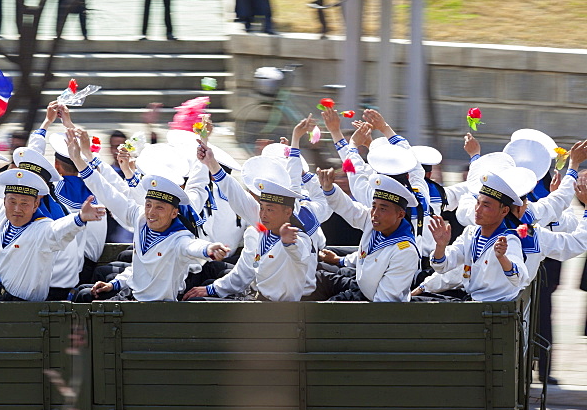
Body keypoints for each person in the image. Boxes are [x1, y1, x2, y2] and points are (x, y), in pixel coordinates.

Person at [66, 129, 228, 302]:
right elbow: (107, 191)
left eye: (160, 208)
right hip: (133, 297)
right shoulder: (140, 216)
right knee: (84, 292)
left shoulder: (179, 237)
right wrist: (78, 159)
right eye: (148, 204)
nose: (151, 212)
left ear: (175, 212)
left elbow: (192, 246)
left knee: (85, 296)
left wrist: (209, 249)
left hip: (156, 312)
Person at [0, 140, 106, 302]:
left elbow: (59, 231)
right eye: (12, 201)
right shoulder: (3, 212)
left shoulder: (43, 226)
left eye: (24, 203)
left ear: (36, 203)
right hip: (5, 291)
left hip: (22, 304)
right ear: (4, 200)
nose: (17, 209)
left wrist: (80, 218)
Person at [184, 178, 314, 302]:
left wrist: (288, 244)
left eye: (270, 209)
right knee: (202, 291)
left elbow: (299, 254)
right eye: (261, 208)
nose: (263, 214)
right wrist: (211, 289)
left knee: (199, 302)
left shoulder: (298, 238)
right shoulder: (264, 233)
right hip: (258, 300)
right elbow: (245, 271)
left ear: (288, 212)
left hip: (280, 312)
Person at [318, 169, 421, 302]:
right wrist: (329, 189)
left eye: (383, 208)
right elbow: (349, 209)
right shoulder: (376, 222)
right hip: (361, 285)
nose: (375, 213)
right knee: (316, 278)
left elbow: (384, 301)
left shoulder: (405, 251)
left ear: (400, 214)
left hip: (370, 302)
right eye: (374, 206)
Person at [428, 171, 530, 302]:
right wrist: (440, 246)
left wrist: (502, 257)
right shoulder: (470, 233)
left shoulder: (508, 240)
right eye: (477, 203)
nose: (477, 209)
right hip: (472, 302)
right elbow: (442, 266)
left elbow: (519, 277)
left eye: (486, 205)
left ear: (504, 211)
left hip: (492, 307)